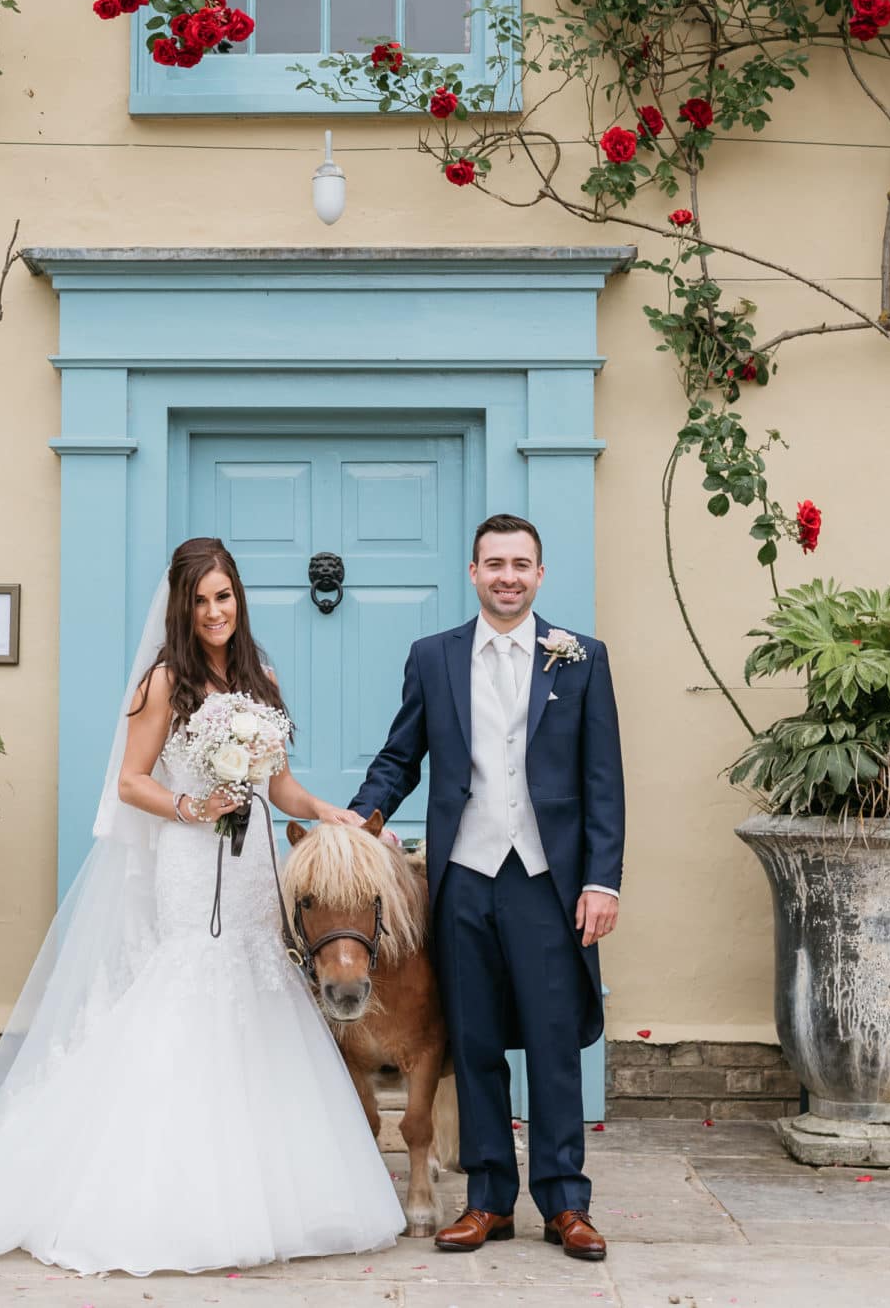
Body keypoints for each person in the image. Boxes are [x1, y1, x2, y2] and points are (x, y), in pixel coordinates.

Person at [0, 536, 405, 1275]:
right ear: (181, 607)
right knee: (189, 989)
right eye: (200, 600)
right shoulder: (164, 683)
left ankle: (273, 1190)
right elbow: (130, 782)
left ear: (238, 598)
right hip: (191, 858)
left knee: (259, 987)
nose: (214, 611)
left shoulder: (262, 678)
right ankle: (176, 1195)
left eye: (224, 596)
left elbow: (279, 788)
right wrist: (192, 805)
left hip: (252, 864)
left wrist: (327, 811)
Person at [349, 513, 625, 1263]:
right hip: (464, 879)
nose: (508, 575)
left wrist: (603, 880)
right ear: (473, 573)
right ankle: (489, 1202)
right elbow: (400, 756)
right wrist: (360, 820)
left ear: (540, 575)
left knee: (552, 1042)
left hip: (547, 881)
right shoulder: (433, 658)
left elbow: (603, 782)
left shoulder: (581, 659)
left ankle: (566, 1203)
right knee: (472, 1043)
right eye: (494, 563)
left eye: (521, 564)